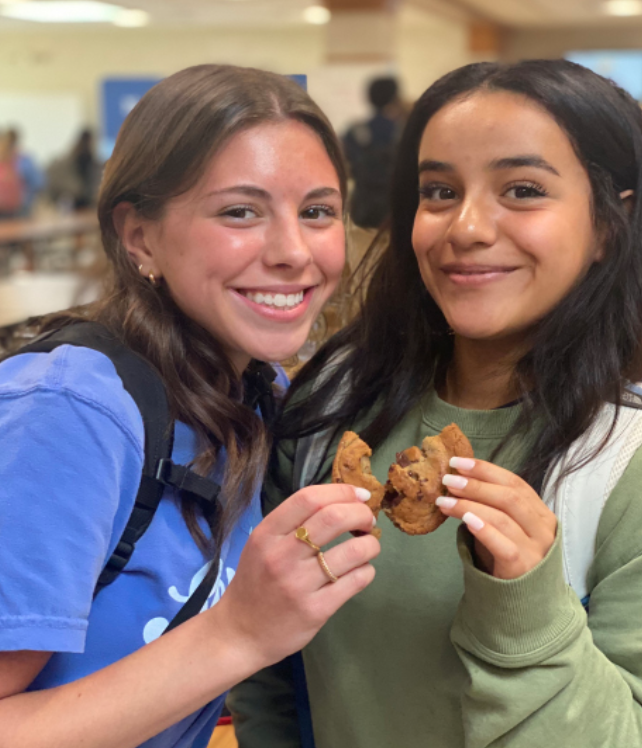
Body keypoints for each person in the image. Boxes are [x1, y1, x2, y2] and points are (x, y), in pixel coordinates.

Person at [229, 60, 642, 747]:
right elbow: (268, 673)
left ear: (607, 224)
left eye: (523, 189)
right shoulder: (330, 409)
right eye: (440, 190)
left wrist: (530, 614)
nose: (467, 227)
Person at [0, 64, 380, 748]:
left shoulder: (260, 395)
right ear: (140, 238)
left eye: (317, 211)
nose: (294, 252)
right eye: (240, 211)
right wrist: (239, 633)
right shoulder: (72, 412)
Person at [342, 76, 404, 229]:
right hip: (397, 208)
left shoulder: (355, 131)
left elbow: (344, 166)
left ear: (369, 98)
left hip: (363, 208)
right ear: (395, 98)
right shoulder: (404, 130)